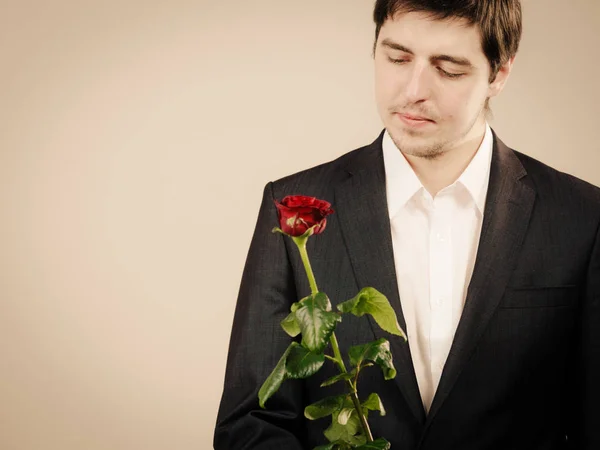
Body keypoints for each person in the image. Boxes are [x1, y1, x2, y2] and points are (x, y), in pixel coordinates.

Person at [214, 0, 600, 448]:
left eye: (449, 69)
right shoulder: (290, 204)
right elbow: (252, 421)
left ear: (499, 73)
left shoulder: (583, 216)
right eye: (397, 58)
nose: (413, 90)